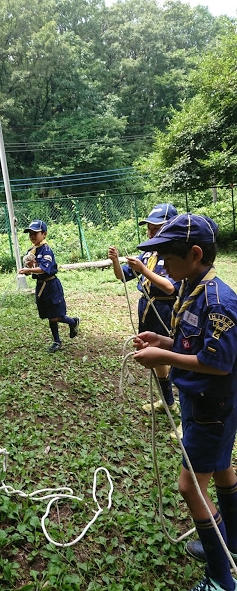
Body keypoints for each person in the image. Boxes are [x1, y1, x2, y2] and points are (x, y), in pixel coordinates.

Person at [133, 213, 237, 591]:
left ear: (194, 254)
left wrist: (164, 359)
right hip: (201, 403)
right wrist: (162, 342)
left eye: (167, 258)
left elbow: (218, 363)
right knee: (222, 468)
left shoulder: (217, 301)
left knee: (190, 487)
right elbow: (193, 345)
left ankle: (220, 578)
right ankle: (232, 543)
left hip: (213, 407)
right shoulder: (191, 287)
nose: (161, 265)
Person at [108, 203, 181, 415]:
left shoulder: (173, 256)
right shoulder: (148, 254)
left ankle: (187, 412)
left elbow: (169, 288)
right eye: (149, 228)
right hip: (147, 307)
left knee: (176, 358)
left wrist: (142, 270)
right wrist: (115, 260)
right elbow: (122, 276)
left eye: (155, 228)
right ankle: (168, 402)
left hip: (166, 309)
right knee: (155, 355)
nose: (150, 232)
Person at [18, 219, 80, 353]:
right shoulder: (32, 250)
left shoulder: (46, 250)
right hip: (41, 286)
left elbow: (43, 269)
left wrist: (29, 270)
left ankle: (72, 322)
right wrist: (28, 267)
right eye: (30, 233)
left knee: (56, 315)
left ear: (44, 234)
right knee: (48, 314)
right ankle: (57, 341)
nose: (32, 236)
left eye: (35, 233)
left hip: (51, 285)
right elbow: (34, 269)